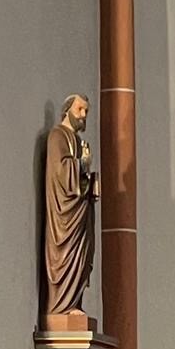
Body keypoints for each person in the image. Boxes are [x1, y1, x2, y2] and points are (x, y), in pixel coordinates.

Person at [42, 93, 99, 321]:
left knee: (81, 256)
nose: (83, 115)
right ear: (67, 110)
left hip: (79, 212)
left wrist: (89, 178)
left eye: (86, 111)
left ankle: (73, 302)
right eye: (80, 109)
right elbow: (60, 173)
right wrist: (82, 164)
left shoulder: (77, 141)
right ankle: (61, 307)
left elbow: (79, 176)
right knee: (65, 256)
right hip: (64, 215)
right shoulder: (57, 136)